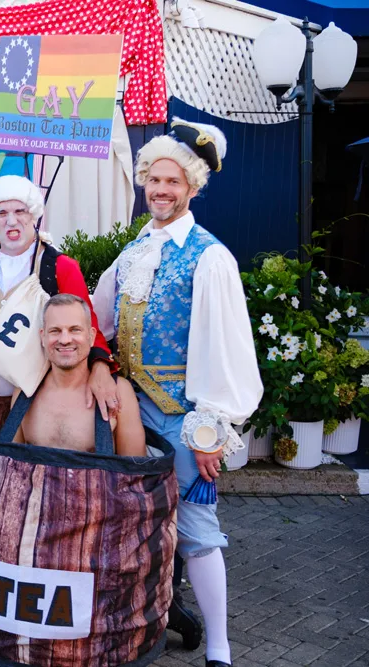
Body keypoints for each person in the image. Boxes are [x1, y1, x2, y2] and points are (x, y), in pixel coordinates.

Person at [92, 119, 263, 667]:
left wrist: (211, 428)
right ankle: (137, 621)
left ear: (192, 187)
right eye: (154, 179)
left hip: (181, 416)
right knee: (128, 522)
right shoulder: (136, 248)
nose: (161, 190)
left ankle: (219, 647)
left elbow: (225, 347)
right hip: (130, 410)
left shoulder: (210, 257)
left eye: (173, 181)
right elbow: (99, 318)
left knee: (195, 530)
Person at [0, 175, 118, 435]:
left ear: (34, 215)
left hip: (40, 402)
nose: (11, 221)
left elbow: (88, 328)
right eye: (1, 213)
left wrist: (100, 367)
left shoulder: (61, 268)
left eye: (20, 211)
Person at [12, 293, 145, 457]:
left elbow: (135, 467)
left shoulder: (118, 392)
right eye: (55, 331)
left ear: (91, 336)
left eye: (75, 330)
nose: (65, 340)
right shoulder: (25, 390)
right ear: (43, 337)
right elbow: (8, 462)